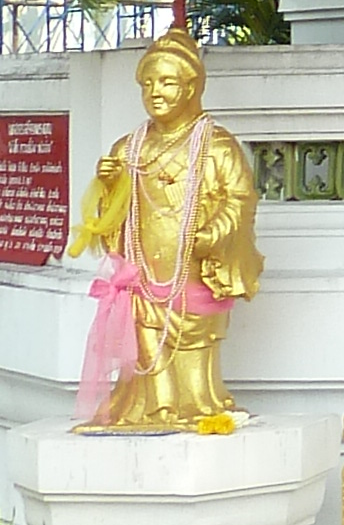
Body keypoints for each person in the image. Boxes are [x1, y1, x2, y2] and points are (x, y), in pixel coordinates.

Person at [70, 29, 263, 428]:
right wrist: (108, 187)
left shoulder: (217, 145)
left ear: (192, 86)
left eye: (168, 82)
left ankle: (196, 406)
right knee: (142, 337)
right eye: (148, 84)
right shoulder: (130, 147)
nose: (156, 92)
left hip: (191, 266)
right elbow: (110, 217)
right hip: (144, 271)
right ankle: (150, 408)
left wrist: (210, 235)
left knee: (194, 340)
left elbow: (240, 200)